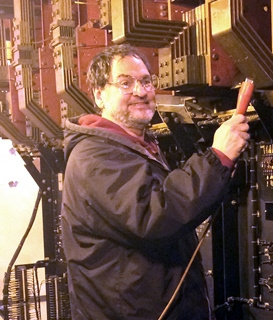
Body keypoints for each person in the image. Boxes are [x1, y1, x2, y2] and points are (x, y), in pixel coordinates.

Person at [61, 44, 250, 320]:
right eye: (125, 83)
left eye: (146, 81)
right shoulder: (95, 156)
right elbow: (154, 215)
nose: (140, 91)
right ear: (99, 94)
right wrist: (217, 157)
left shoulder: (133, 146)